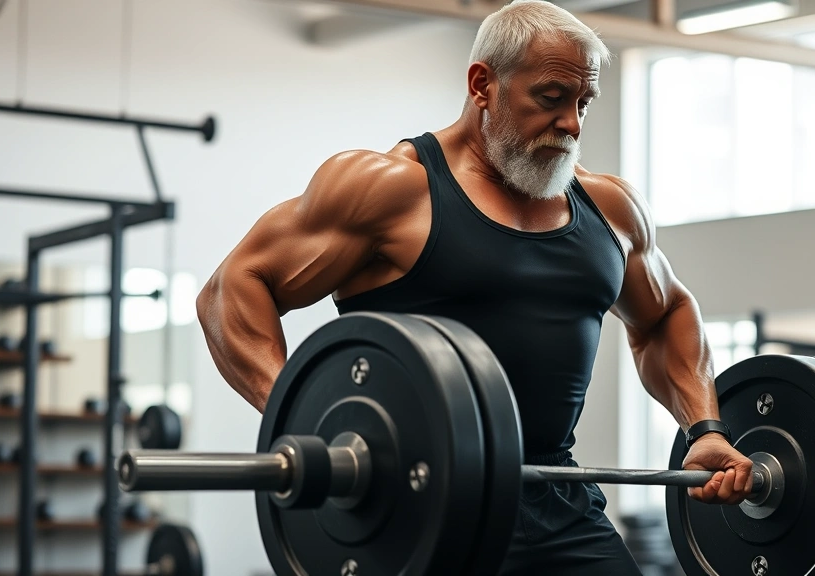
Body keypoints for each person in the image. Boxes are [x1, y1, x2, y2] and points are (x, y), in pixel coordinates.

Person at [197, 1, 754, 573]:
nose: (573, 124)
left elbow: (665, 316)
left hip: (557, 496)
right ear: (483, 84)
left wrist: (703, 427)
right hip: (416, 500)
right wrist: (301, 419)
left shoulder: (610, 208)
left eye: (583, 103)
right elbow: (230, 290)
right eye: (551, 98)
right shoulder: (392, 190)